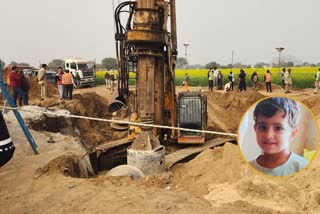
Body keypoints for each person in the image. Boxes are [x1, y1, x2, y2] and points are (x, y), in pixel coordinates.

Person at [249, 97, 307, 176]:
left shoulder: (303, 168)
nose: (269, 135)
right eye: (262, 127)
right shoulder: (247, 168)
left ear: (293, 133)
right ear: (255, 129)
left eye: (278, 128)